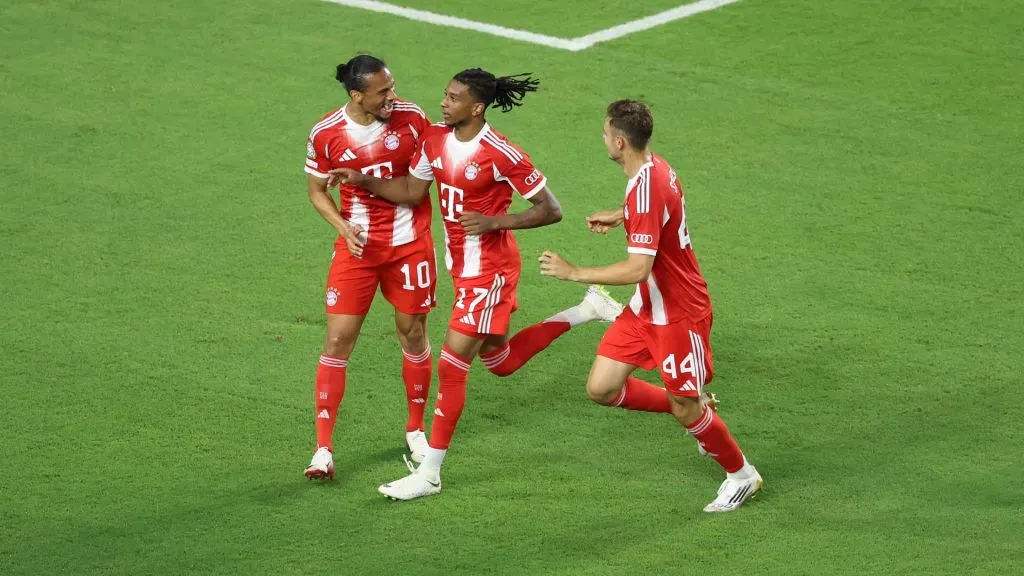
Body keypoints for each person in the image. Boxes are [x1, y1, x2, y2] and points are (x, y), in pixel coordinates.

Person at [328, 69, 622, 500]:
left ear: (477, 107)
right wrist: (363, 179)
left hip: (490, 270)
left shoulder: (501, 153)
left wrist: (494, 221)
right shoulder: (433, 139)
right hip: (462, 268)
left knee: (451, 366)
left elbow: (550, 208)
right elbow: (412, 190)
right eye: (444, 95)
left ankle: (430, 473)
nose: (443, 103)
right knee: (499, 361)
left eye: (453, 98)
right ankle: (588, 309)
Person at [538, 100, 763, 512]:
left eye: (606, 134)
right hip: (647, 306)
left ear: (620, 142)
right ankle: (697, 406)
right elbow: (657, 208)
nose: (603, 138)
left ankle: (741, 474)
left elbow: (638, 268)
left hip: (678, 311)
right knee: (602, 388)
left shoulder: (645, 185)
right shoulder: (655, 168)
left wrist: (575, 273)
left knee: (683, 405)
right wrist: (623, 214)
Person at [302, 55, 437, 480]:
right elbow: (316, 190)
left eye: (393, 87)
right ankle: (323, 449)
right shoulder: (326, 134)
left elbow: (421, 185)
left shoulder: (412, 120)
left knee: (412, 331)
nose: (392, 97)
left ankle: (415, 429)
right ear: (357, 95)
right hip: (357, 251)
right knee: (338, 339)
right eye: (383, 92)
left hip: (409, 245)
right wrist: (342, 226)